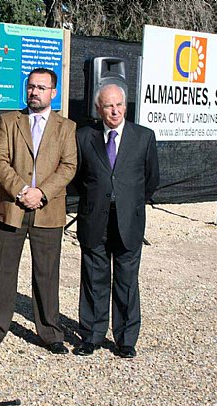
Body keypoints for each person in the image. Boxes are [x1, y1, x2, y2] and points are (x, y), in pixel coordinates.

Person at [0, 68, 77, 354]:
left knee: (46, 272)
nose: (34, 92)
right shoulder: (10, 121)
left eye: (41, 88)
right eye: (31, 86)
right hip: (13, 206)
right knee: (2, 268)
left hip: (49, 209)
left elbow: (68, 166)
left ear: (53, 93)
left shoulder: (66, 127)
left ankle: (50, 332)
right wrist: (22, 190)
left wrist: (41, 193)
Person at [73, 83, 160, 358]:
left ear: (126, 106)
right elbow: (77, 178)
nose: (114, 110)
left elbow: (151, 178)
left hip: (128, 220)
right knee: (94, 278)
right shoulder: (84, 137)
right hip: (94, 218)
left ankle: (125, 338)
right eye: (108, 105)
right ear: (98, 109)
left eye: (119, 105)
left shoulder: (143, 137)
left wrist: (129, 202)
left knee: (126, 280)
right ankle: (92, 334)